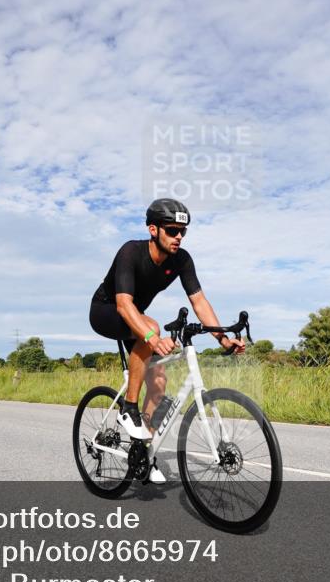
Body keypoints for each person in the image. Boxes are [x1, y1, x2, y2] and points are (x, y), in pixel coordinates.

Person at [89, 198, 244, 484]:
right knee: (151, 327)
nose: (179, 237)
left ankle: (142, 452)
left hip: (135, 316)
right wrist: (150, 336)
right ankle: (129, 410)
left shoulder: (181, 260)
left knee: (159, 383)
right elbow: (124, 305)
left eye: (182, 232)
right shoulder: (130, 252)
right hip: (106, 310)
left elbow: (199, 301)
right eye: (172, 231)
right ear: (153, 230)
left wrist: (223, 340)